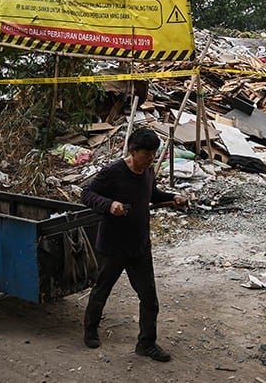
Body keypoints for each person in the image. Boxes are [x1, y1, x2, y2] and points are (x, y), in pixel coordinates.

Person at [81, 127, 188, 362]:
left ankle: (146, 343)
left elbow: (152, 194)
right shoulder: (113, 172)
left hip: (139, 245)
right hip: (113, 245)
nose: (151, 159)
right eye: (147, 154)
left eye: (153, 154)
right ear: (133, 150)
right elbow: (86, 194)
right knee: (102, 290)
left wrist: (173, 197)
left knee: (149, 297)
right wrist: (109, 205)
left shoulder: (148, 171)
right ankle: (90, 330)